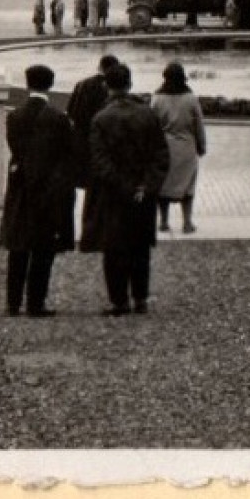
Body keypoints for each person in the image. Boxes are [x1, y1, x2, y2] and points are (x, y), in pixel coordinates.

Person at [81, 63, 171, 316]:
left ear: (106, 87)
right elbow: (160, 155)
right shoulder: (147, 114)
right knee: (140, 246)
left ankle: (119, 300)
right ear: (130, 84)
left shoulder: (100, 118)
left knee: (114, 248)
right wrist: (146, 186)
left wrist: (124, 186)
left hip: (113, 193)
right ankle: (140, 296)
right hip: (143, 191)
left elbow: (100, 161)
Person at [1, 64, 77, 317]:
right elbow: (67, 154)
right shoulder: (58, 118)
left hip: (21, 187)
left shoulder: (14, 116)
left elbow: (16, 150)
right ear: (51, 85)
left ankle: (13, 303)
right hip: (48, 189)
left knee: (18, 248)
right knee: (43, 249)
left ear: (27, 84)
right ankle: (36, 303)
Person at [150, 62, 207, 234]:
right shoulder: (190, 98)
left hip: (163, 148)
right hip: (186, 147)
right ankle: (187, 222)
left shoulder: (157, 98)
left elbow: (151, 125)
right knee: (188, 187)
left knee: (163, 186)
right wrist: (201, 146)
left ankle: (164, 222)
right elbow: (199, 125)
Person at [68, 55, 121, 199]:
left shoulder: (81, 85)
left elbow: (72, 112)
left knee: (89, 182)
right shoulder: (111, 88)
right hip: (104, 140)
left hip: (83, 139)